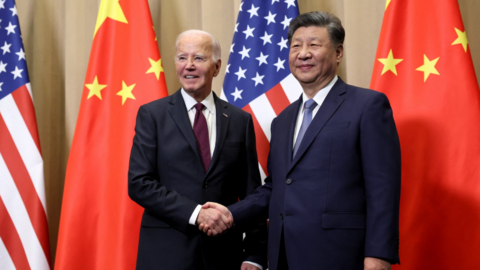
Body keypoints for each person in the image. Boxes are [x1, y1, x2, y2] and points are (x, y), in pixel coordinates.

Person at [202, 11, 401, 270]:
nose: (303, 54)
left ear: (338, 53)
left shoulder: (368, 106)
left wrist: (378, 255)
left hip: (341, 256)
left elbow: (383, 188)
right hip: (284, 254)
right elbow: (276, 187)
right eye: (296, 46)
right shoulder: (282, 120)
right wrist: (230, 213)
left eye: (314, 45)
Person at [128, 29, 267, 270]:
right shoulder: (152, 115)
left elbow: (251, 192)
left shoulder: (239, 120)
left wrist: (253, 254)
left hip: (224, 256)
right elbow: (139, 183)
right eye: (182, 58)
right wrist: (195, 213)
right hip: (166, 253)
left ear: (216, 66)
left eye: (199, 58)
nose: (189, 66)